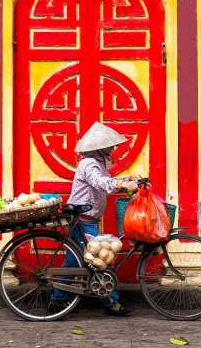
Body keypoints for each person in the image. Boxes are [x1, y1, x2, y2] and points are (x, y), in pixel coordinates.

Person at [49, 122, 139, 317]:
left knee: (85, 261)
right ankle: (108, 303)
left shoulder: (98, 163)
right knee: (96, 259)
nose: (113, 149)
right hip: (82, 220)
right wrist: (123, 184)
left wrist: (127, 180)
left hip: (87, 219)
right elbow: (100, 182)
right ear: (101, 147)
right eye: (110, 146)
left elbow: (105, 180)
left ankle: (61, 299)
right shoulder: (89, 163)